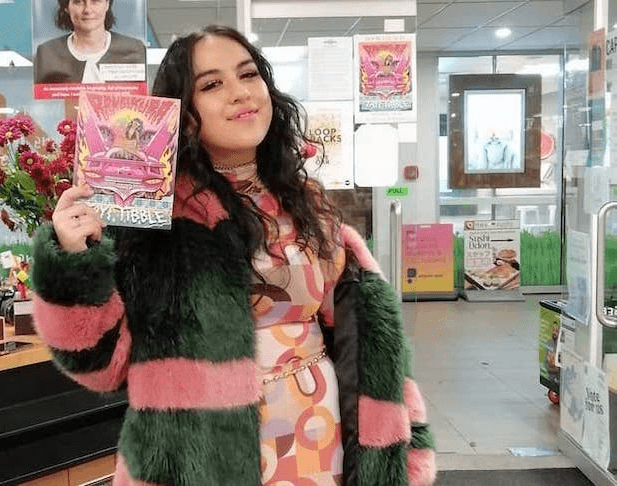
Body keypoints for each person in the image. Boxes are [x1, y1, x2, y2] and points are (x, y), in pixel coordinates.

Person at [31, 25, 436, 485]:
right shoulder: (154, 217)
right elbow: (101, 365)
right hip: (198, 459)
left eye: (248, 75)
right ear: (184, 116)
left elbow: (371, 345)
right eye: (212, 84)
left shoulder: (307, 203)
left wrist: (401, 450)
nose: (240, 94)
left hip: (319, 440)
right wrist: (74, 259)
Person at [34, 0, 146, 85]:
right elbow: (43, 105)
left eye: (95, 1)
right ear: (66, 7)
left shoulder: (134, 49)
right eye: (78, 2)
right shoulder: (47, 53)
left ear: (107, 4)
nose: (87, 10)